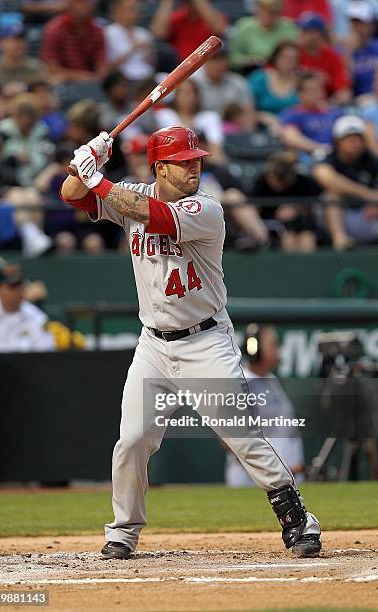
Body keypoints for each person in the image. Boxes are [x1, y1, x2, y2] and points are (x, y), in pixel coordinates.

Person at [60, 125, 322, 559]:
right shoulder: (129, 192)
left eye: (196, 160)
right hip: (154, 346)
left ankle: (298, 520)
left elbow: (154, 217)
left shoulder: (207, 208)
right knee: (133, 439)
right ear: (160, 167)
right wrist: (89, 156)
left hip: (205, 341)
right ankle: (123, 531)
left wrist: (98, 180)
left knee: (241, 436)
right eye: (184, 162)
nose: (194, 167)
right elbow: (71, 193)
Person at [225, 323, 305, 487]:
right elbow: (228, 436)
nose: (278, 348)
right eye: (272, 344)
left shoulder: (271, 379)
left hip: (280, 479)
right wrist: (268, 469)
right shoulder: (243, 383)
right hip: (252, 482)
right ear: (255, 350)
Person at [312, 115, 378, 250]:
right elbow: (323, 175)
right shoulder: (330, 158)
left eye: (358, 139)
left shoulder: (369, 158)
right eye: (350, 139)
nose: (355, 143)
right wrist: (368, 195)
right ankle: (340, 240)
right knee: (332, 195)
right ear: (338, 142)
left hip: (371, 215)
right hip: (342, 215)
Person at [250, 151, 321, 251]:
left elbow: (312, 207)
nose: (279, 185)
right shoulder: (261, 183)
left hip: (301, 223)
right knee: (288, 235)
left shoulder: (303, 182)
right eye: (275, 179)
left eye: (283, 180)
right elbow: (254, 211)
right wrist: (276, 215)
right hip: (271, 226)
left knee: (306, 235)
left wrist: (295, 209)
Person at [154, 79, 227, 164]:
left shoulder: (209, 117)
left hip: (204, 164)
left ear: (197, 96)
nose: (186, 97)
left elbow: (215, 149)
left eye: (189, 92)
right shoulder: (164, 115)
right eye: (182, 93)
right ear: (175, 96)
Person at [0, 265, 54, 353]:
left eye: (20, 286)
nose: (17, 291)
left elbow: (45, 354)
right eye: (12, 287)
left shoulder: (37, 317)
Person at [41, 0, 107, 83]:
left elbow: (101, 64)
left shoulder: (97, 30)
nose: (87, 5)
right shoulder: (54, 29)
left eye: (89, 2)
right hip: (63, 83)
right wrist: (79, 76)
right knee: (54, 78)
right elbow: (51, 68)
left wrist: (98, 78)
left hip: (91, 82)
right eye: (81, 2)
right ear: (70, 3)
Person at [280, 72, 342, 159]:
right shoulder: (293, 114)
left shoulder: (335, 112)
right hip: (310, 157)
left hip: (338, 157)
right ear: (300, 94)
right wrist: (319, 148)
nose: (317, 93)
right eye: (312, 90)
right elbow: (291, 137)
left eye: (319, 89)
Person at [298, 12, 352, 104]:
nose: (301, 34)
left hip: (326, 105)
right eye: (302, 31)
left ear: (318, 34)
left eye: (306, 31)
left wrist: (329, 103)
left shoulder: (332, 56)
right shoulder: (294, 53)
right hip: (299, 104)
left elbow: (343, 92)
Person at [229, 0, 298, 72]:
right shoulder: (244, 26)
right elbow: (233, 56)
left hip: (283, 71)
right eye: (264, 11)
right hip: (252, 71)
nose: (268, 15)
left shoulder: (289, 27)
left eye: (272, 12)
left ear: (279, 13)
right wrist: (247, 60)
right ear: (257, 10)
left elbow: (295, 54)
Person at [344, 0, 378, 100]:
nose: (357, 28)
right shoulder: (344, 52)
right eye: (354, 23)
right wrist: (348, 53)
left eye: (361, 24)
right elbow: (346, 87)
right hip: (358, 103)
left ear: (371, 25)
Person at [151, 0, 227, 63]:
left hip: (207, 64)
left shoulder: (213, 17)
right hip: (180, 66)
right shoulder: (178, 17)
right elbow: (159, 33)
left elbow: (220, 30)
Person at [192, 47, 254, 118]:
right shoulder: (192, 82)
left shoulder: (238, 82)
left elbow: (249, 114)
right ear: (204, 62)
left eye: (222, 59)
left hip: (233, 127)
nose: (218, 64)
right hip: (199, 127)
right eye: (214, 59)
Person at [105, 0, 155, 82]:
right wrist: (133, 49)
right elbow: (109, 67)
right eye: (131, 9)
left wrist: (148, 52)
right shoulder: (109, 32)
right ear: (117, 11)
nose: (135, 12)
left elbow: (152, 64)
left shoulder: (144, 34)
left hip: (147, 78)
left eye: (137, 9)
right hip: (123, 79)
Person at [248, 41, 299, 118]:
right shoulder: (258, 79)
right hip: (262, 127)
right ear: (275, 57)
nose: (288, 61)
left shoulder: (301, 82)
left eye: (292, 59)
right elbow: (247, 109)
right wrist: (263, 117)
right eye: (284, 57)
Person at [0, 22, 43, 89]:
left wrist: (25, 88)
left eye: (22, 39)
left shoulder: (36, 68)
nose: (20, 43)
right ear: (0, 44)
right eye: (14, 39)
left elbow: (44, 93)